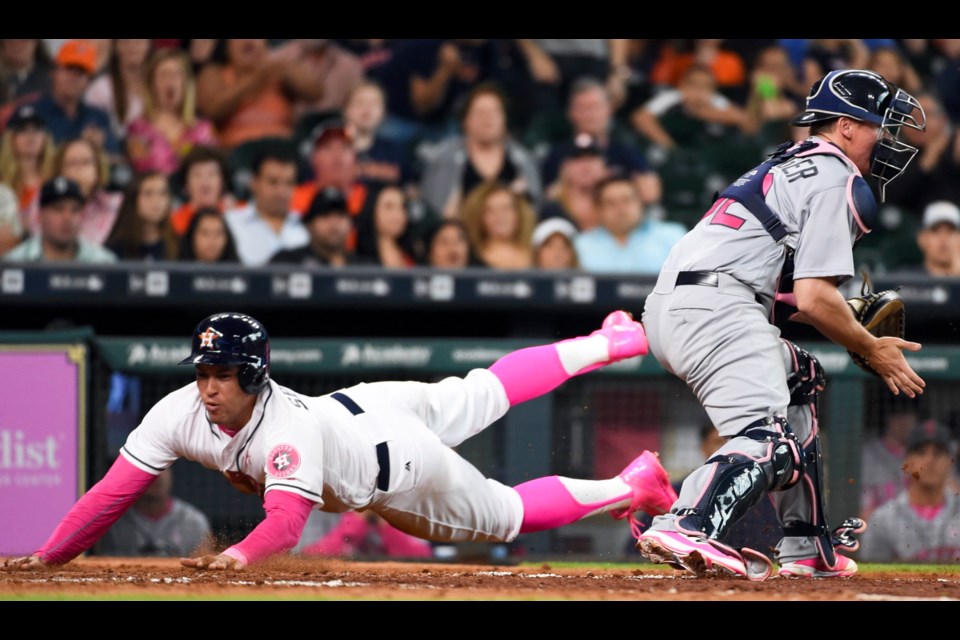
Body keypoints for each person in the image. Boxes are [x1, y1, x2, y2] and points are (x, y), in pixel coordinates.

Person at [1, 309, 677, 572]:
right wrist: (50, 555)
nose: (208, 387)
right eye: (203, 372)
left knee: (505, 514)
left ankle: (631, 484)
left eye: (223, 375)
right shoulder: (178, 411)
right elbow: (114, 493)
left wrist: (235, 559)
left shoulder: (281, 428)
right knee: (483, 390)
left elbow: (287, 524)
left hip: (398, 465)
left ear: (255, 374)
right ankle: (605, 340)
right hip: (368, 405)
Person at [635, 68, 927, 580]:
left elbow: (791, 287)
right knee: (770, 443)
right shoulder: (838, 177)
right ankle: (689, 521)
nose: (888, 139)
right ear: (845, 126)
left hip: (680, 302)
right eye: (881, 125)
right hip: (716, 306)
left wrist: (841, 317)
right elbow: (816, 299)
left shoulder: (788, 160)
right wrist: (870, 345)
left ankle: (806, 544)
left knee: (801, 377)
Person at [418, 82, 541, 219]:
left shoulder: (522, 160)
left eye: (495, 111)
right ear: (465, 120)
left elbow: (534, 210)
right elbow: (435, 213)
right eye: (480, 112)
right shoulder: (443, 159)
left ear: (504, 119)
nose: (488, 118)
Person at [858, 421, 960, 563]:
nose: (929, 460)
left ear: (950, 461)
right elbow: (870, 581)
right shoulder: (882, 520)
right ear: (906, 461)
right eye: (920, 453)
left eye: (938, 453)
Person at [195, 39, 322, 150]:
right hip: (234, 154)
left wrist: (286, 69)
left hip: (282, 152)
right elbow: (212, 110)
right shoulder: (215, 73)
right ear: (228, 44)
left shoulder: (279, 70)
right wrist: (254, 80)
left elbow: (315, 93)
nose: (248, 41)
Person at [124, 49, 217, 176]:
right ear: (152, 84)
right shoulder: (138, 129)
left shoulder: (203, 131)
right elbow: (140, 169)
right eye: (163, 75)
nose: (170, 80)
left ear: (186, 83)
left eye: (177, 74)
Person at [574, 175, 686, 274]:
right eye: (610, 203)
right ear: (598, 209)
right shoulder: (580, 245)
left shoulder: (673, 237)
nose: (620, 208)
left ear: (641, 203)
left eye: (627, 200)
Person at [26, 39, 119, 156]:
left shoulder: (98, 116)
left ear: (89, 80)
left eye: (81, 72)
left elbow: (116, 159)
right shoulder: (33, 113)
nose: (74, 77)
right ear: (54, 72)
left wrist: (98, 150)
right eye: (69, 68)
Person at [96, 468, 213, 558]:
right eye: (149, 469)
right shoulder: (114, 521)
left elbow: (202, 571)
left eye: (163, 468)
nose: (157, 476)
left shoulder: (194, 521)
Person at [224, 143, 307, 266]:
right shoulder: (231, 224)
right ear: (254, 183)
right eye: (273, 182)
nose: (281, 191)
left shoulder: (307, 227)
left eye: (289, 183)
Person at [3, 176, 116, 263]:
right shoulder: (15, 262)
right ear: (40, 216)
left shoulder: (103, 262)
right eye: (58, 209)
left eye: (75, 210)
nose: (67, 218)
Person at [859, 396, 923, 520]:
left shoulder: (927, 456)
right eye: (898, 415)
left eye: (909, 415)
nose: (905, 421)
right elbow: (860, 513)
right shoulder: (867, 454)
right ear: (886, 418)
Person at [270, 187, 364, 268]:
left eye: (340, 215)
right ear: (309, 225)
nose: (334, 223)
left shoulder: (364, 267)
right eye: (325, 216)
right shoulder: (287, 262)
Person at [0, 104, 56, 230]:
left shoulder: (57, 177)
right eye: (22, 129)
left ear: (45, 137)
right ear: (11, 138)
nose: (30, 135)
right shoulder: (1, 182)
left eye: (37, 128)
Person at [84, 39, 152, 139]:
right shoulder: (100, 89)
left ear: (148, 45)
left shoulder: (156, 85)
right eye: (126, 41)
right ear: (115, 46)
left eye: (138, 41)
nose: (132, 46)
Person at [459, 181, 536, 270]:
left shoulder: (539, 253)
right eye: (490, 211)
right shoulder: (468, 257)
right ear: (479, 218)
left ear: (518, 213)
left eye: (506, 208)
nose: (500, 216)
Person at [105, 171, 177, 261]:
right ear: (133, 200)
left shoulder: (178, 244)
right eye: (148, 193)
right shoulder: (115, 248)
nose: (157, 200)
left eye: (162, 193)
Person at [168, 146, 234, 236]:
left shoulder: (240, 214)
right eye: (197, 175)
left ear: (223, 182)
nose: (205, 181)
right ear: (186, 185)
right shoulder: (173, 223)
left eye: (212, 174)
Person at [354, 184, 417, 268]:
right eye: (389, 207)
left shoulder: (414, 258)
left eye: (403, 207)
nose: (398, 214)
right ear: (372, 211)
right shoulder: (356, 262)